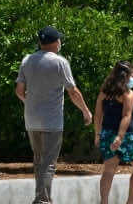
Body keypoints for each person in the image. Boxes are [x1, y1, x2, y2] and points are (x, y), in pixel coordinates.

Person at [15, 25, 93, 204]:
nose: (60, 43)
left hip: (32, 119)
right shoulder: (60, 62)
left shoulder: (27, 60)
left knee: (39, 160)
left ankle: (42, 197)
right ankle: (42, 200)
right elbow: (73, 92)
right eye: (59, 40)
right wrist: (86, 111)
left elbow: (19, 90)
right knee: (49, 162)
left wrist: (30, 103)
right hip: (52, 121)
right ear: (54, 42)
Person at [94, 60, 133, 204]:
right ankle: (131, 201)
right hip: (126, 136)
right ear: (127, 76)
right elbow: (126, 116)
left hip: (106, 134)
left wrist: (98, 134)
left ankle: (103, 202)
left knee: (109, 169)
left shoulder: (104, 92)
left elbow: (98, 115)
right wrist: (120, 137)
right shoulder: (128, 94)